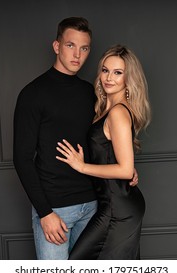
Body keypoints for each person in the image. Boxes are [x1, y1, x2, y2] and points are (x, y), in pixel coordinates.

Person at [13, 18, 138, 260]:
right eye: (70, 46)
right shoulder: (32, 94)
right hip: (55, 209)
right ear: (56, 46)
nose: (77, 55)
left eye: (84, 48)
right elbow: (22, 159)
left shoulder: (91, 93)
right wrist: (44, 213)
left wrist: (127, 168)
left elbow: (101, 141)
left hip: (94, 207)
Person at [56, 44, 151, 259]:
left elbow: (125, 170)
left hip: (119, 210)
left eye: (118, 73)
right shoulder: (106, 109)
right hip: (114, 205)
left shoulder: (118, 112)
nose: (109, 77)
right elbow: (117, 158)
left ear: (129, 79)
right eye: (105, 70)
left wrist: (81, 166)